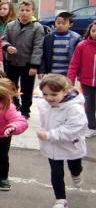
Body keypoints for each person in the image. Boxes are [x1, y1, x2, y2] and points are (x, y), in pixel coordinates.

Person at [36, 74, 87, 208]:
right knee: (56, 171)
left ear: (65, 91)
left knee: (74, 165)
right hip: (52, 146)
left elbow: (74, 127)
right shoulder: (44, 103)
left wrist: (49, 135)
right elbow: (44, 120)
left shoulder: (74, 108)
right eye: (45, 94)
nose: (49, 98)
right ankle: (60, 200)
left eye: (53, 94)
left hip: (71, 144)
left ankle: (76, 174)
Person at [1, 0, 44, 119]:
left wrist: (34, 65)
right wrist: (7, 46)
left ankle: (25, 110)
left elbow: (38, 47)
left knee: (26, 88)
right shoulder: (10, 25)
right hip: (12, 62)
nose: (24, 13)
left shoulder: (37, 27)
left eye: (27, 10)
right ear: (18, 11)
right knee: (11, 86)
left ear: (33, 12)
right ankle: (14, 105)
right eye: (22, 10)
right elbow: (3, 39)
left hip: (27, 64)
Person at [67, 21, 96, 138]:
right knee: (88, 105)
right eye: (94, 31)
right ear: (90, 31)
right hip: (86, 82)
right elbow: (74, 64)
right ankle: (91, 127)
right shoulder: (82, 45)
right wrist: (70, 81)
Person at [39, 12, 81, 77]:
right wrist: (42, 70)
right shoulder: (48, 38)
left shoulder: (76, 38)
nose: (60, 25)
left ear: (70, 24)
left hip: (68, 73)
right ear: (55, 23)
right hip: (52, 72)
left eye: (64, 23)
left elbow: (78, 58)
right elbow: (43, 55)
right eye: (58, 23)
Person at [0, 2, 16, 72]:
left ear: (10, 11)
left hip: (9, 51)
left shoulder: (14, 23)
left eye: (5, 9)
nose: (2, 11)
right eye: (0, 9)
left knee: (8, 73)